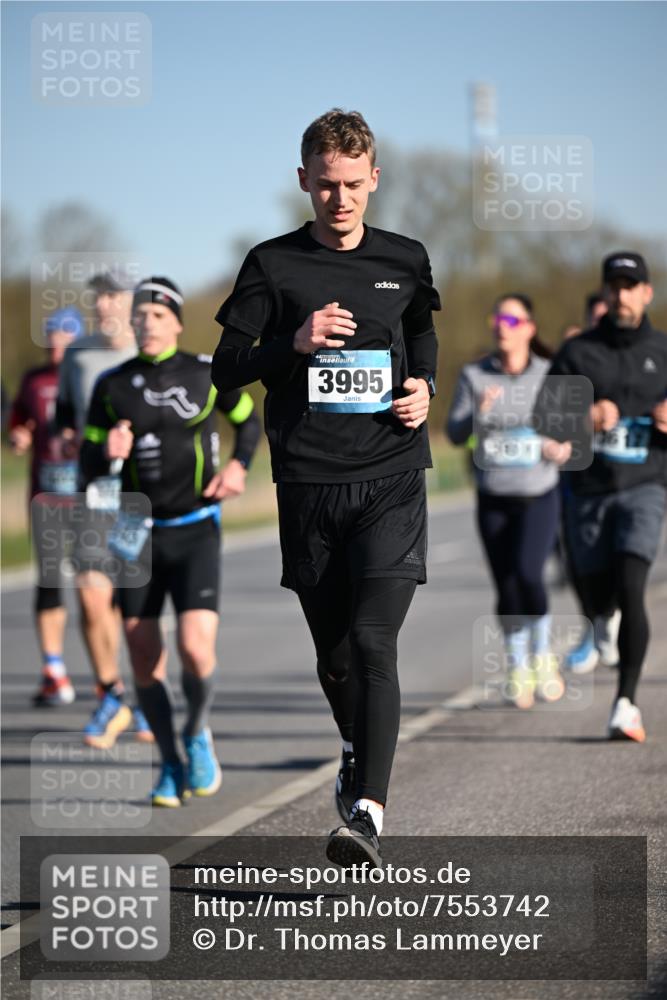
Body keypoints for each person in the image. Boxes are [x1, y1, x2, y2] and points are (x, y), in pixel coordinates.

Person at [211, 109, 440, 868]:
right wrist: (294, 343)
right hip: (307, 482)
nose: (339, 200)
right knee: (337, 658)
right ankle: (352, 743)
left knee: (375, 640)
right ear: (303, 180)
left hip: (391, 478)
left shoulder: (405, 258)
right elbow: (226, 369)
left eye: (352, 185)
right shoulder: (272, 266)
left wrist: (424, 386)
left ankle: (367, 812)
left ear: (373, 179)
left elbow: (421, 332)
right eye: (325, 186)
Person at [80, 276, 261, 806]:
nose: (146, 324)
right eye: (139, 317)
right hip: (134, 529)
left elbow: (248, 424)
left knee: (195, 648)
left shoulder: (207, 373)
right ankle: (168, 760)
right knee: (141, 654)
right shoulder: (111, 386)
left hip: (195, 525)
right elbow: (88, 467)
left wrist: (237, 467)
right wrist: (108, 451)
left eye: (157, 316)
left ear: (177, 322)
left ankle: (197, 731)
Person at [536, 252, 667, 741]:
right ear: (605, 293)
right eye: (614, 285)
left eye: (631, 285)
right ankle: (599, 617)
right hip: (588, 489)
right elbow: (545, 418)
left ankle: (626, 703)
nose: (621, 294)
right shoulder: (579, 353)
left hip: (645, 485)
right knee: (593, 591)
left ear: (647, 293)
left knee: (633, 584)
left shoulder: (663, 350)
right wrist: (586, 417)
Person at [447, 294, 570, 708]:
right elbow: (453, 433)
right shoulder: (475, 375)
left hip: (539, 493)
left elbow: (570, 437)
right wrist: (478, 416)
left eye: (514, 321)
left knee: (529, 575)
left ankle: (542, 656)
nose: (503, 326)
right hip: (493, 495)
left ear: (529, 329)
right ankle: (517, 666)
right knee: (506, 585)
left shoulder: (549, 374)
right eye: (499, 318)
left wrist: (559, 446)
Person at [56, 269, 148, 747]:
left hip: (139, 498)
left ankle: (151, 696)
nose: (104, 305)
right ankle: (112, 694)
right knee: (91, 595)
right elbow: (65, 414)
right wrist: (69, 434)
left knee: (137, 608)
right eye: (100, 296)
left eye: (114, 296)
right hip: (94, 492)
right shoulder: (78, 353)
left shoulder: (149, 353)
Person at [9, 307, 84, 705]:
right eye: (51, 334)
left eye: (64, 334)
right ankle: (53, 669)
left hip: (90, 497)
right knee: (50, 580)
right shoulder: (32, 380)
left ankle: (114, 679)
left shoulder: (91, 375)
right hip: (46, 495)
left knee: (99, 585)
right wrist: (18, 436)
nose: (56, 341)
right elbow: (18, 422)